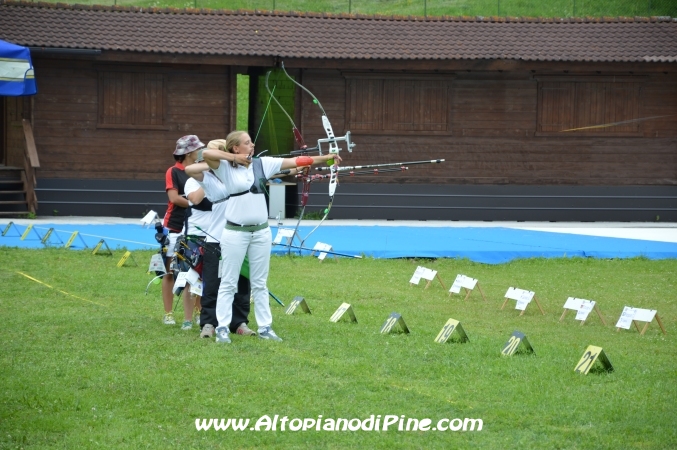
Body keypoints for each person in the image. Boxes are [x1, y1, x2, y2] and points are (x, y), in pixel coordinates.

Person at [203, 131, 341, 344]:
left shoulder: (262, 163)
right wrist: (234, 159)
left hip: (260, 232)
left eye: (251, 142)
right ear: (235, 148)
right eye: (247, 143)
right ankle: (222, 327)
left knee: (259, 282)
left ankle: (265, 327)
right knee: (229, 282)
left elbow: (296, 160)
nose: (252, 145)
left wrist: (326, 158)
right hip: (234, 233)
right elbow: (206, 153)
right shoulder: (224, 167)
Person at [184, 148, 256, 339]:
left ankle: (239, 322)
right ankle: (209, 323)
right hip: (216, 239)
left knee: (241, 283)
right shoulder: (206, 179)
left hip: (240, 237)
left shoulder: (239, 175)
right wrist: (227, 161)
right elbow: (190, 169)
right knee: (213, 284)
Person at [161, 135, 203, 328]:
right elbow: (174, 198)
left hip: (195, 226)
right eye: (197, 149)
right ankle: (168, 313)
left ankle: (197, 311)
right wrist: (195, 204)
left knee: (196, 270)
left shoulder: (200, 169)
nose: (200, 151)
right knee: (170, 271)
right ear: (188, 152)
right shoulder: (173, 171)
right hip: (175, 226)